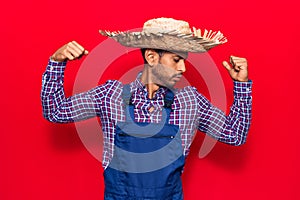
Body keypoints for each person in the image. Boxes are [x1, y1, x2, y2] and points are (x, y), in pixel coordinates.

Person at [41, 17, 252, 200]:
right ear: (151, 57)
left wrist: (241, 85)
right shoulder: (110, 95)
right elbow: (56, 110)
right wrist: (56, 62)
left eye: (184, 61)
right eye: (176, 59)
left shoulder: (190, 102)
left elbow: (235, 135)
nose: (183, 68)